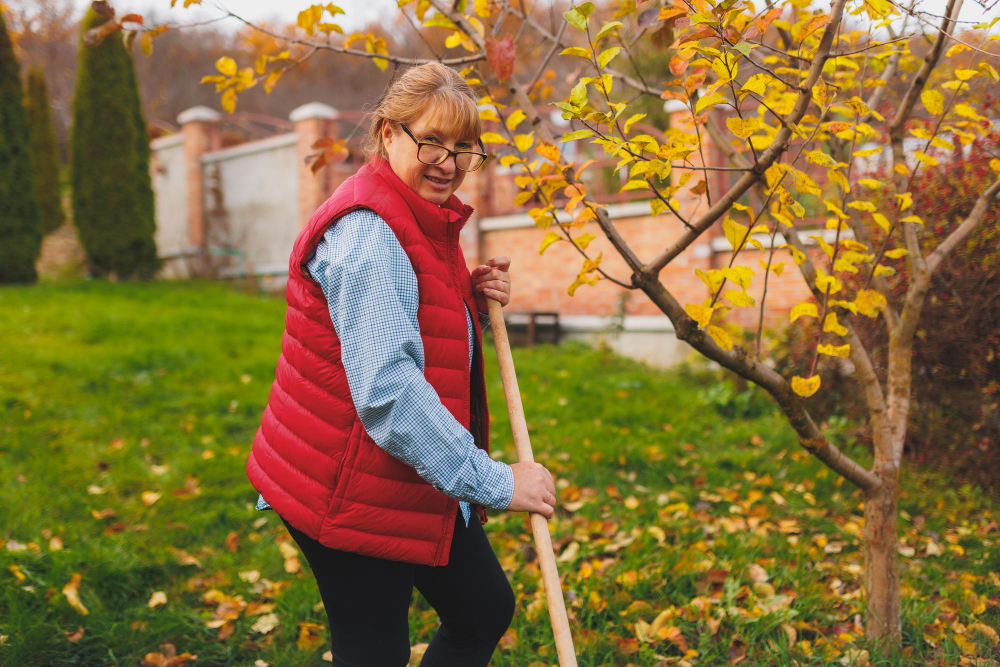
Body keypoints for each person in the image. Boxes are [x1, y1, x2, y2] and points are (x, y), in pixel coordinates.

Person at [245, 62, 557, 666]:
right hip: (345, 485)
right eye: (432, 140)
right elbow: (389, 392)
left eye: (464, 146)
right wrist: (497, 483)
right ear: (388, 132)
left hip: (402, 469)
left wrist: (466, 299)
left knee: (482, 610)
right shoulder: (369, 232)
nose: (449, 161)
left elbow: (406, 316)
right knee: (375, 651)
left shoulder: (413, 209)